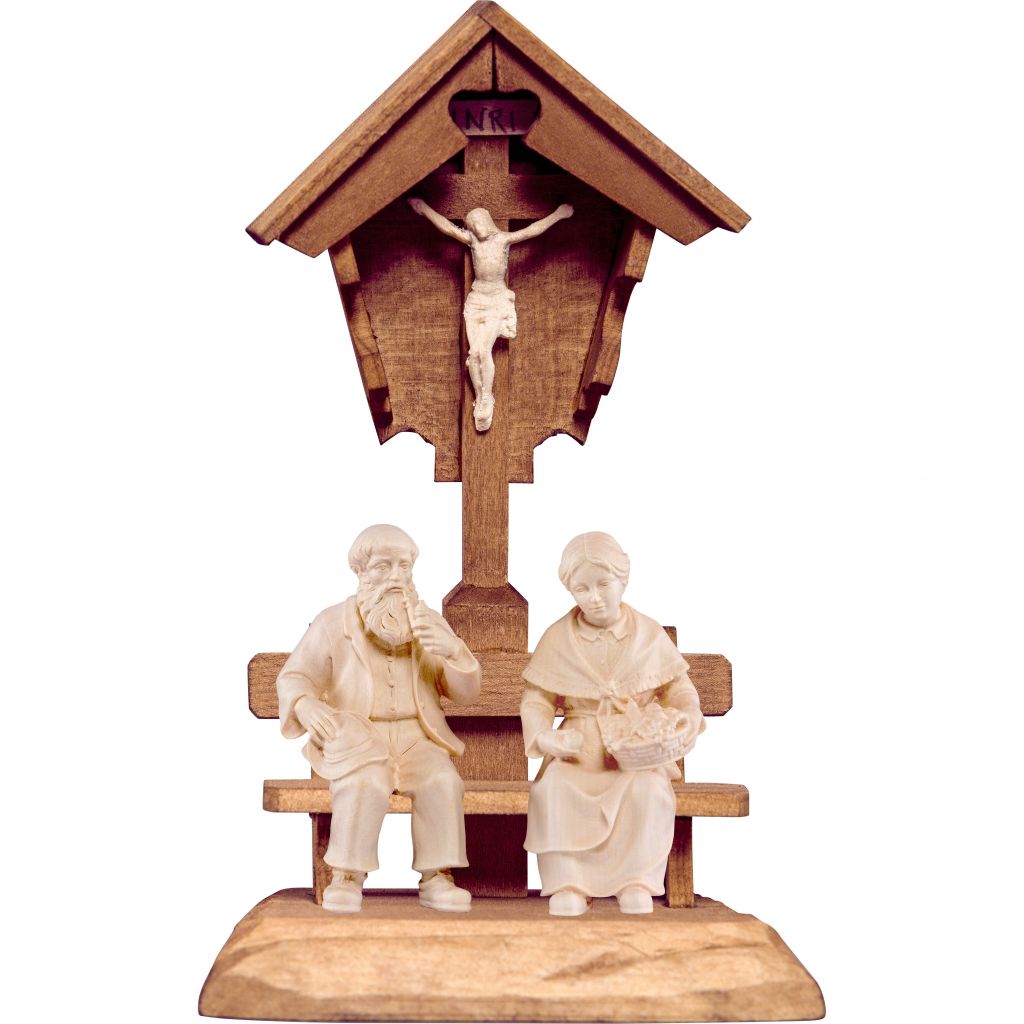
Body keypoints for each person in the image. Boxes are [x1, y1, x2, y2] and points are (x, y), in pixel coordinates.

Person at [276, 524, 482, 913]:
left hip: (418, 736)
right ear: (361, 572)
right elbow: (295, 676)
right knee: (364, 783)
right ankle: (347, 876)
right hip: (359, 737)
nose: (396, 577)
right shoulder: (332, 623)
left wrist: (454, 651)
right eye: (383, 567)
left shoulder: (428, 622)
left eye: (404, 567)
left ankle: (438, 876)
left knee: (442, 780)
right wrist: (304, 704)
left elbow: (464, 693)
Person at [520, 532, 705, 916]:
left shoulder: (648, 634)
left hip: (634, 750)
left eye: (603, 584)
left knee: (649, 791)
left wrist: (687, 715)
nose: (594, 597)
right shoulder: (558, 638)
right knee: (553, 788)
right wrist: (544, 737)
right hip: (580, 749)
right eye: (582, 588)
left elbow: (678, 688)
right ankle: (568, 882)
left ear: (623, 578)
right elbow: (537, 698)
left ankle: (635, 881)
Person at [407, 196, 573, 431]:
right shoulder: (473, 241)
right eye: (472, 225)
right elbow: (447, 227)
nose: (476, 228)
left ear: (487, 221)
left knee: (482, 350)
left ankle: (487, 397)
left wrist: (557, 215)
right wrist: (424, 208)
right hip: (476, 300)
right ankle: (481, 396)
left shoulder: (503, 239)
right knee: (474, 353)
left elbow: (531, 231)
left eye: (478, 222)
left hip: (496, 300)